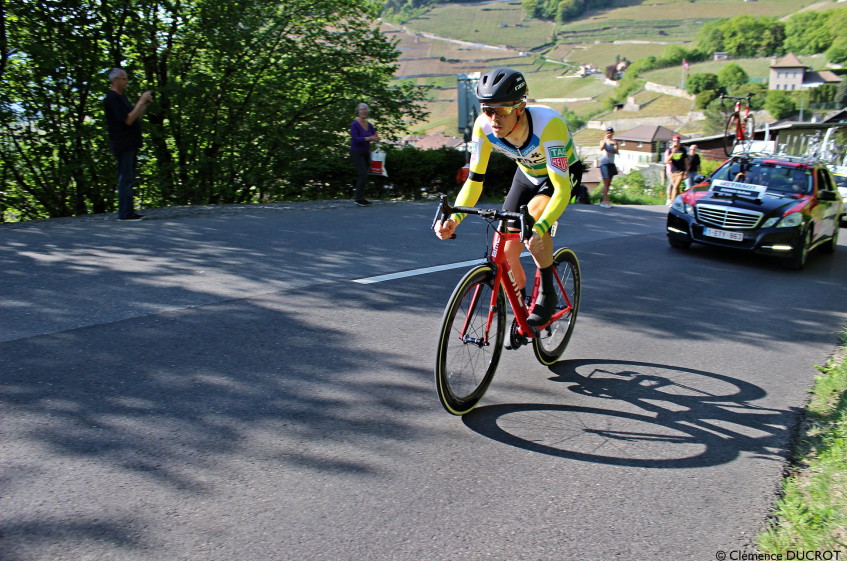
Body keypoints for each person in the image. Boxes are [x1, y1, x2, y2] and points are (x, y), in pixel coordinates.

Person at [433, 68, 579, 327]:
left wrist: (541, 226)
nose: (493, 119)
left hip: (558, 179)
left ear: (520, 107)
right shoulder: (483, 128)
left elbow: (561, 189)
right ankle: (521, 307)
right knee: (507, 248)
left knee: (532, 222)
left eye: (502, 111)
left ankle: (547, 291)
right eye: (487, 110)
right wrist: (455, 217)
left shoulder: (548, 125)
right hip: (526, 174)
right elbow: (474, 182)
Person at [104, 68, 152, 221]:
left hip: (130, 143)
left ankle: (129, 211)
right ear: (116, 80)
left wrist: (144, 105)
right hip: (122, 144)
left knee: (129, 178)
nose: (127, 82)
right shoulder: (112, 98)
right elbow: (128, 120)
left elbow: (134, 116)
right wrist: (140, 100)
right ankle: (125, 214)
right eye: (124, 79)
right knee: (125, 178)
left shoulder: (121, 97)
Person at [350, 103, 380, 207]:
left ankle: (361, 198)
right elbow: (355, 139)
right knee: (363, 174)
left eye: (365, 110)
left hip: (366, 151)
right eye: (361, 110)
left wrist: (376, 138)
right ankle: (358, 199)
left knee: (365, 175)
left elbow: (374, 136)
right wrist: (369, 138)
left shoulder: (369, 125)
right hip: (356, 151)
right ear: (358, 112)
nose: (363, 111)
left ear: (367, 112)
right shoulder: (354, 124)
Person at [598, 126, 618, 208]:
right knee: (606, 181)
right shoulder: (603, 141)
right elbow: (601, 148)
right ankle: (604, 201)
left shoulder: (615, 142)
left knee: (609, 183)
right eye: (607, 132)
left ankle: (606, 200)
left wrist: (616, 145)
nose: (609, 133)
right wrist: (606, 139)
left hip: (611, 164)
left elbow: (617, 152)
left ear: (613, 133)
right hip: (604, 163)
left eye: (610, 132)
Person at [664, 134, 688, 203]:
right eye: (675, 141)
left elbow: (686, 161)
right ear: (672, 142)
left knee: (675, 187)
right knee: (676, 188)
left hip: (681, 172)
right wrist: (673, 153)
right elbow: (666, 161)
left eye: (678, 141)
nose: (676, 142)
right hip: (673, 172)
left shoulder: (683, 150)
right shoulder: (670, 150)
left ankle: (672, 202)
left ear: (680, 142)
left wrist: (687, 171)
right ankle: (680, 201)